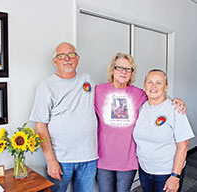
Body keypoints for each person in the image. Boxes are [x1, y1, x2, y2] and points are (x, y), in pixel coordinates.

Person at [95, 53, 186, 192]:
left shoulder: (138, 94)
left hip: (128, 159)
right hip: (103, 157)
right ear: (112, 70)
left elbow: (157, 96)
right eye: (119, 67)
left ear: (132, 73)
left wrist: (176, 101)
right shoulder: (98, 91)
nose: (123, 72)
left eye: (128, 69)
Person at [29, 42, 98, 192]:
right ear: (55, 61)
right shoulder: (46, 86)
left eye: (71, 55)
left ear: (77, 59)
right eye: (61, 56)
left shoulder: (87, 79)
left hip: (89, 156)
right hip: (61, 159)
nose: (67, 59)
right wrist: (50, 160)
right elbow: (40, 125)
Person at [133, 69, 194, 192]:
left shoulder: (175, 108)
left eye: (159, 83)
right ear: (144, 85)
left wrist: (175, 176)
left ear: (166, 87)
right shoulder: (141, 107)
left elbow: (183, 145)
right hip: (145, 170)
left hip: (166, 172)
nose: (153, 86)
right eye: (150, 82)